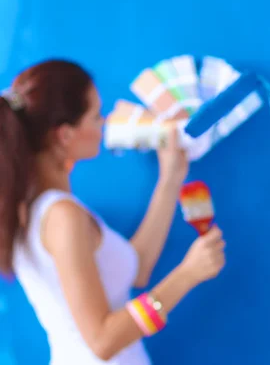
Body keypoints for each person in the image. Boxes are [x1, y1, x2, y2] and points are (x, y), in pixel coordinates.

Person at [0, 59, 226, 364]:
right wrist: (187, 274)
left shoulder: (36, 210)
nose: (104, 123)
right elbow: (102, 341)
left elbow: (138, 267)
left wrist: (170, 177)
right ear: (65, 135)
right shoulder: (62, 217)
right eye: (95, 116)